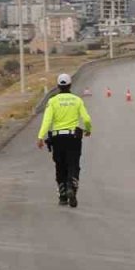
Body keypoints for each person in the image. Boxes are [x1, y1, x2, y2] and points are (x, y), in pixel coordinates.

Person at [36, 73, 93, 208]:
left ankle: (62, 196)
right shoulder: (77, 100)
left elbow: (47, 120)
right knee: (73, 164)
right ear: (70, 85)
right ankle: (71, 188)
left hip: (57, 138)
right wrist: (88, 129)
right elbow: (86, 119)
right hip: (73, 138)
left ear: (58, 86)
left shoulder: (53, 101)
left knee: (60, 166)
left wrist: (40, 137)